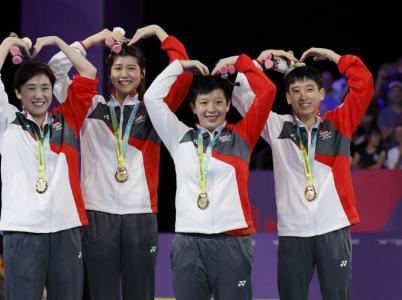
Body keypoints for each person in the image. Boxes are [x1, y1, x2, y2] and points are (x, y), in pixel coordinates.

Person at [48, 24, 192, 300]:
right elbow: (56, 71)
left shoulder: (154, 109)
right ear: (109, 73)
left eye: (131, 69)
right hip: (96, 212)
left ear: (142, 74)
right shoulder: (90, 105)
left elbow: (182, 73)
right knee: (103, 293)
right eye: (118, 68)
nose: (124, 75)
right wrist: (92, 40)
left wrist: (160, 33)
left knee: (141, 293)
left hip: (140, 212)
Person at [233, 48, 373, 299]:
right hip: (293, 234)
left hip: (333, 230)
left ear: (322, 93)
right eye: (295, 91)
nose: (303, 96)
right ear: (287, 97)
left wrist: (332, 56)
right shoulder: (277, 126)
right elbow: (240, 96)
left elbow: (364, 83)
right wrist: (261, 61)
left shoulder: (338, 124)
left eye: (310, 89)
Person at [144, 53, 276, 299]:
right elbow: (151, 98)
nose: (211, 109)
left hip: (233, 241)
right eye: (204, 103)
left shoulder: (243, 135)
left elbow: (267, 91)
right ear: (193, 107)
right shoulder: (178, 136)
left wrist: (239, 62)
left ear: (228, 105)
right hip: (188, 242)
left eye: (218, 102)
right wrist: (179, 66)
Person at [0, 34, 98, 300]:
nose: (39, 95)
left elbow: (88, 72)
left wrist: (57, 40)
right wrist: (7, 44)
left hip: (66, 228)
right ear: (19, 93)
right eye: (31, 88)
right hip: (22, 229)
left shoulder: (67, 119)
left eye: (45, 88)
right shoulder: (6, 122)